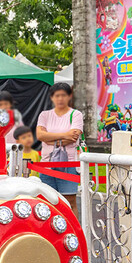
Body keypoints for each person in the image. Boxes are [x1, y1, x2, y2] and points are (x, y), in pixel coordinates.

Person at [36, 83, 82, 213]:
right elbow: (40, 135)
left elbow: (73, 137)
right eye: (57, 96)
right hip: (46, 164)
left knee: (69, 201)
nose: (60, 99)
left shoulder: (76, 114)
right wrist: (65, 135)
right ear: (52, 97)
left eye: (63, 95)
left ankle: (74, 231)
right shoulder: (44, 115)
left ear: (69, 96)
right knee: (49, 201)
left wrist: (49, 138)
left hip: (68, 164)